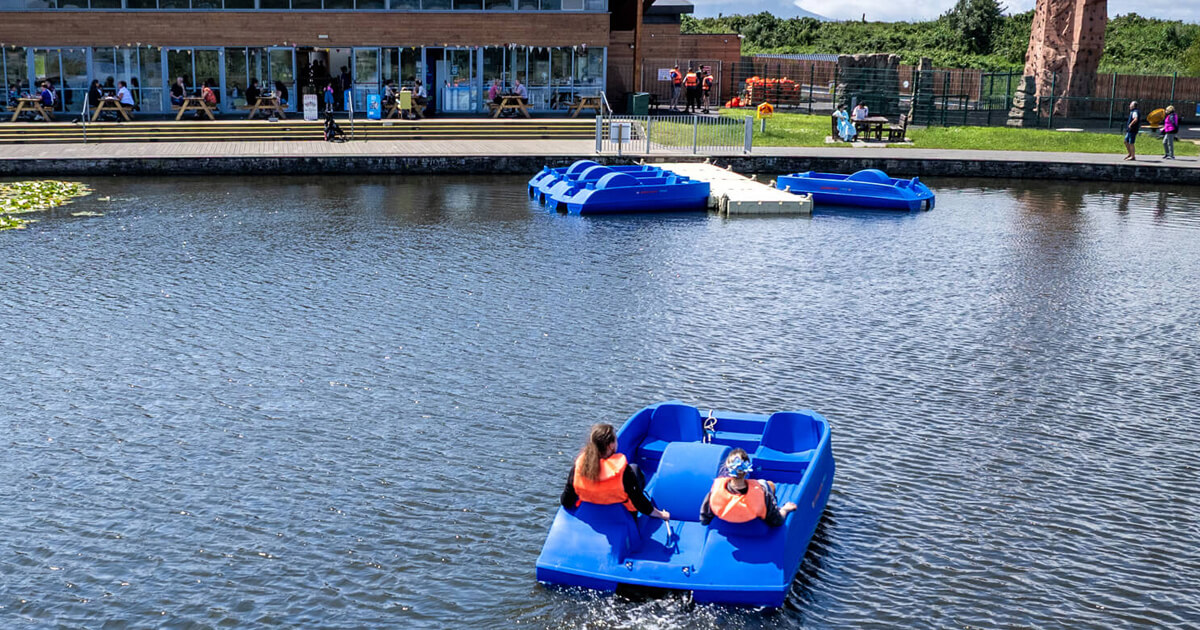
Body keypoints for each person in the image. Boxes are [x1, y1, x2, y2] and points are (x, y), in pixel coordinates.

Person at [560, 423, 670, 521]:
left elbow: (566, 501)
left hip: (590, 503)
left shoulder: (580, 465)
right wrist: (660, 514)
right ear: (611, 445)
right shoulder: (622, 471)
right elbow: (639, 501)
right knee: (635, 469)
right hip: (620, 509)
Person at [699, 448, 796, 527]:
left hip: (729, 530)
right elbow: (777, 521)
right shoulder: (761, 492)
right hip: (754, 526)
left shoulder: (714, 492)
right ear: (747, 470)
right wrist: (785, 509)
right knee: (766, 483)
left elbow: (704, 520)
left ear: (727, 467)